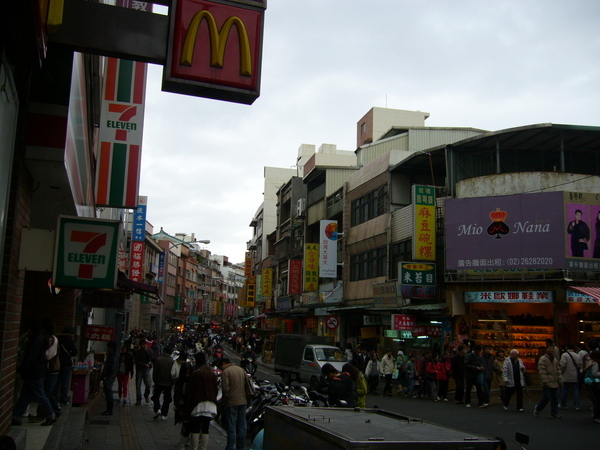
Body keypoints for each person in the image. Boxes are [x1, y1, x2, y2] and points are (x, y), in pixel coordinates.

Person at [12, 319, 57, 426]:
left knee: (39, 395)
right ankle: (16, 416)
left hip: (34, 374)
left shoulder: (34, 341)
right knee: (25, 396)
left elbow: (29, 359)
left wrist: (20, 369)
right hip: (34, 373)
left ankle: (50, 415)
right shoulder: (37, 340)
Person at [183, 352, 218, 450]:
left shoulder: (196, 374)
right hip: (210, 404)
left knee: (196, 427)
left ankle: (194, 447)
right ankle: (203, 448)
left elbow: (190, 390)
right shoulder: (212, 374)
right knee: (206, 428)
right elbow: (216, 389)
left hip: (198, 404)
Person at [220, 358, 248, 450]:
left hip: (232, 402)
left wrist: (224, 399)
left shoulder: (226, 372)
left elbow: (225, 389)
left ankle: (230, 447)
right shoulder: (241, 370)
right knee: (242, 426)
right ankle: (240, 447)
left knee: (231, 427)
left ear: (223, 364)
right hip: (243, 401)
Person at [534, 344, 563, 419]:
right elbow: (542, 371)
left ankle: (554, 413)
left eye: (552, 349)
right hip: (547, 381)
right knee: (547, 397)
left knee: (555, 398)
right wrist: (545, 381)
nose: (551, 350)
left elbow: (558, 371)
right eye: (549, 348)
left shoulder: (555, 360)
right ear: (546, 349)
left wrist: (560, 381)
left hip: (554, 381)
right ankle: (538, 409)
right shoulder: (543, 359)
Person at [55, 326, 78, 406]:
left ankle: (54, 398)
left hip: (56, 363)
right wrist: (69, 354)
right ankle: (63, 399)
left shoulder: (56, 338)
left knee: (56, 381)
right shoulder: (69, 340)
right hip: (66, 364)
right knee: (64, 382)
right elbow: (75, 351)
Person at [152, 345, 175, 420]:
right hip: (168, 383)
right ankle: (164, 414)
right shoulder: (172, 361)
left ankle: (157, 409)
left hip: (159, 381)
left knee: (156, 396)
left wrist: (154, 380)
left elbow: (155, 372)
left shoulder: (159, 359)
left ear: (164, 351)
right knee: (167, 399)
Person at [559, 342, 582, 410]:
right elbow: (580, 365)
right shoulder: (577, 355)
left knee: (565, 389)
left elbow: (563, 365)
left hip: (566, 374)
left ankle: (563, 404)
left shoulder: (564, 355)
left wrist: (561, 372)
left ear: (566, 347)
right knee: (575, 390)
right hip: (574, 374)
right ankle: (577, 405)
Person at [133, 338, 155, 405]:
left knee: (148, 384)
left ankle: (146, 395)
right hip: (140, 369)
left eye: (144, 344)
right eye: (142, 345)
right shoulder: (137, 352)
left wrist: (146, 351)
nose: (143, 346)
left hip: (147, 370)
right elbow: (136, 361)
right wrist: (144, 364)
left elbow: (152, 357)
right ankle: (138, 399)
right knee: (138, 385)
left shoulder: (149, 350)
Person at [100, 341, 119, 416]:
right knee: (108, 393)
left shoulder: (113, 357)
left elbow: (112, 368)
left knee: (108, 393)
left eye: (108, 347)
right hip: (109, 377)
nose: (107, 349)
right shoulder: (113, 356)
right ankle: (108, 409)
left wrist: (107, 376)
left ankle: (109, 410)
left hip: (109, 378)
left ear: (111, 348)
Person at [584, 349, 600, 423]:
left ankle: (595, 414)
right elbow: (595, 373)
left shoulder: (590, 362)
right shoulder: (596, 364)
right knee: (597, 400)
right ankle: (596, 415)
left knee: (595, 399)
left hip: (591, 382)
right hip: (595, 383)